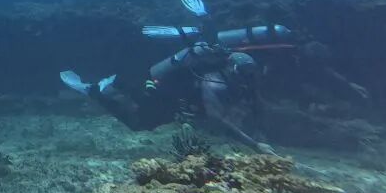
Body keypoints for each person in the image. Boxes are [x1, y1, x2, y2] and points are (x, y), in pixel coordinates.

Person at [61, 47, 275, 154]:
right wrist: (255, 145)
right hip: (167, 97)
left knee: (143, 117)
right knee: (139, 121)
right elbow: (216, 118)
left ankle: (113, 86)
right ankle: (96, 90)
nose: (247, 79)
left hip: (175, 104)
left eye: (250, 73)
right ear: (232, 68)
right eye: (244, 73)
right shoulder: (213, 82)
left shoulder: (233, 83)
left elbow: (254, 107)